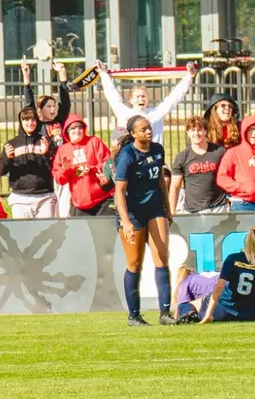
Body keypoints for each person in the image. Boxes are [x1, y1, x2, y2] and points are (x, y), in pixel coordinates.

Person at [113, 114, 175, 326]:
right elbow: (119, 191)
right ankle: (134, 315)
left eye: (148, 128)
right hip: (133, 213)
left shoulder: (158, 149)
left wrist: (167, 209)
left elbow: (160, 181)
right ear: (132, 134)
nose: (148, 132)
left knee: (162, 257)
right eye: (143, 129)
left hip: (155, 208)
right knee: (135, 263)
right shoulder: (127, 155)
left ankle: (165, 313)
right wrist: (126, 221)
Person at [100, 63, 196, 143]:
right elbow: (112, 95)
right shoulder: (124, 113)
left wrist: (188, 76)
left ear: (147, 99)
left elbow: (174, 98)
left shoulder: (156, 114)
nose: (141, 99)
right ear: (131, 100)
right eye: (137, 97)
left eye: (143, 96)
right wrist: (103, 73)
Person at [0, 104, 58, 218]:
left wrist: (46, 154)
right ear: (21, 122)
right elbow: (1, 171)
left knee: (47, 234)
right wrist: (8, 158)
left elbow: (55, 169)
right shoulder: (11, 144)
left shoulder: (45, 141)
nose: (30, 123)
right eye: (26, 119)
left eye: (33, 119)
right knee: (24, 235)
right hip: (20, 199)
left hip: (45, 197)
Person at [50, 115, 114, 217]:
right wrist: (65, 170)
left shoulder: (94, 142)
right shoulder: (63, 150)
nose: (77, 130)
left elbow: (107, 164)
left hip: (102, 200)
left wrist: (91, 169)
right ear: (67, 132)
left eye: (80, 127)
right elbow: (59, 179)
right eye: (73, 128)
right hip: (79, 205)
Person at [169, 115, 229, 214]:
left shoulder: (220, 151)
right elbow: (175, 186)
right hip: (193, 211)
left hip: (218, 208)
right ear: (188, 133)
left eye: (199, 130)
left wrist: (230, 197)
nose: (196, 133)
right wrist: (172, 212)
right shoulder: (182, 157)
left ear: (205, 131)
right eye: (192, 130)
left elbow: (230, 175)